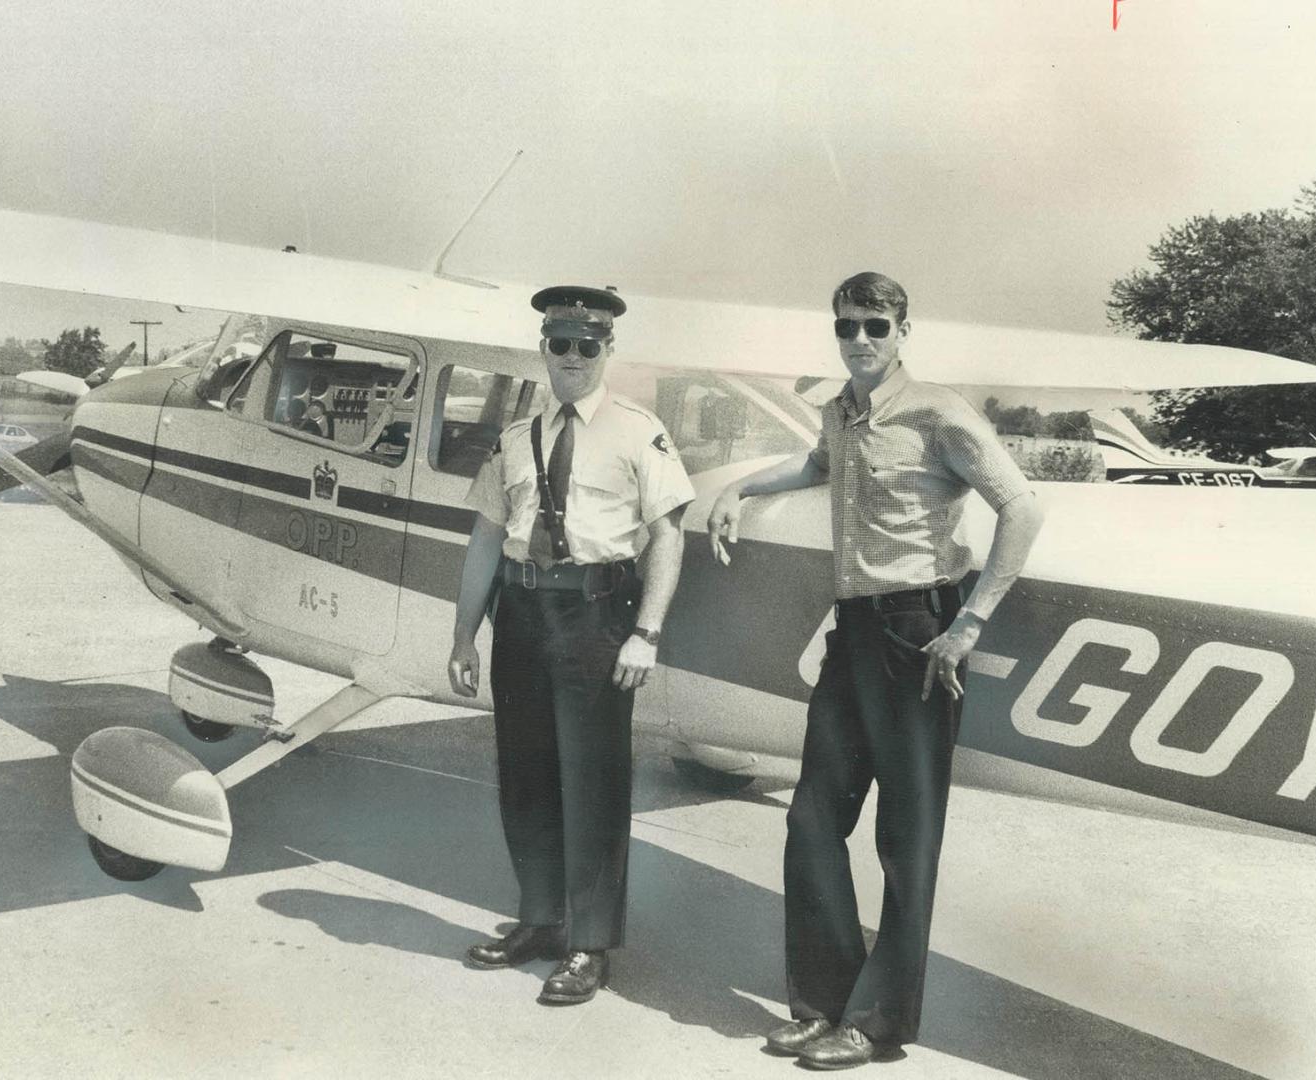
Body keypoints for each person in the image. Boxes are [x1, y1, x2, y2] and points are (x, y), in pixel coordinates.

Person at [707, 272, 1045, 1069]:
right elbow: (818, 464)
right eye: (847, 326)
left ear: (902, 330)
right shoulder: (842, 410)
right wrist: (740, 484)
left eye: (875, 326)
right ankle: (822, 1002)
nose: (859, 339)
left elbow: (1022, 508)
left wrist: (968, 623)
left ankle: (877, 1021)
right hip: (854, 628)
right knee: (812, 816)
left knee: (906, 833)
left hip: (919, 629)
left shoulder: (940, 414)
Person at [447, 284, 695, 1005]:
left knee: (592, 782)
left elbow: (668, 536)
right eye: (561, 342)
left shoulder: (637, 431)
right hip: (520, 613)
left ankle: (589, 946)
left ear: (608, 351)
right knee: (524, 774)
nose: (574, 356)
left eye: (589, 345)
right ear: (544, 348)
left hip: (596, 616)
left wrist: (646, 631)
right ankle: (539, 919)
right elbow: (487, 536)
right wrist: (464, 631)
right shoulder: (517, 436)